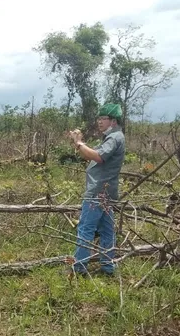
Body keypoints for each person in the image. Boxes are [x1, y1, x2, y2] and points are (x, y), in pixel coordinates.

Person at [66, 103, 126, 277]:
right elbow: (90, 154)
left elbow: (98, 157)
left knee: (86, 228)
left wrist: (78, 143)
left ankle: (79, 268)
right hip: (106, 192)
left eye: (103, 118)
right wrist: (79, 143)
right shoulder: (112, 137)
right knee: (107, 230)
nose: (99, 121)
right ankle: (107, 267)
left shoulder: (114, 138)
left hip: (97, 192)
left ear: (113, 121)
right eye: (99, 118)